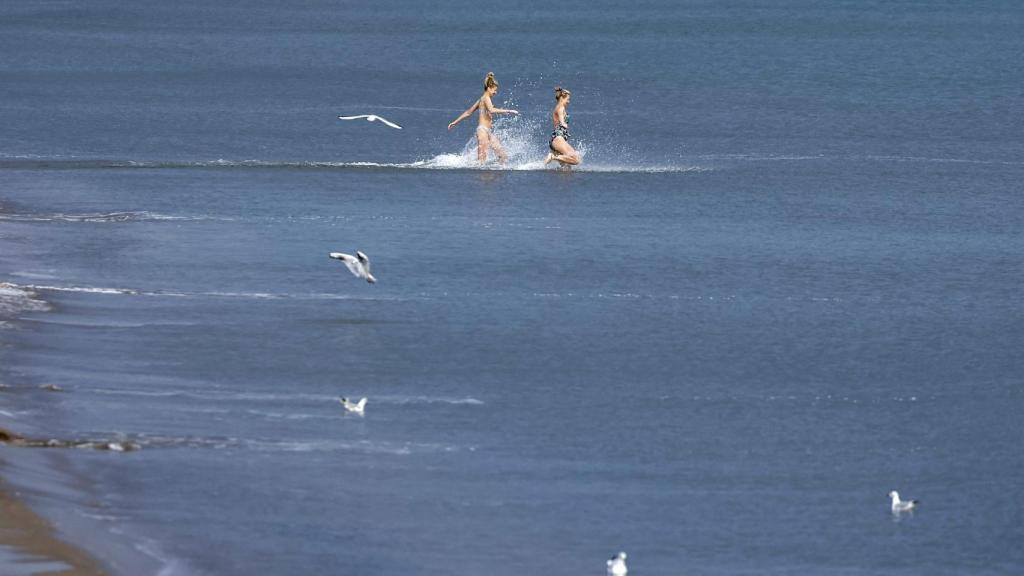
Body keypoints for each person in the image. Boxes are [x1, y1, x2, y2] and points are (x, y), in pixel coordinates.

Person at [447, 72, 519, 164]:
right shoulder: (485, 98)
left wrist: (455, 122)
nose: (495, 93)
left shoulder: (482, 99)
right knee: (482, 161)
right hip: (482, 131)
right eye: (494, 90)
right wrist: (508, 111)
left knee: (503, 155)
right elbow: (491, 110)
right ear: (489, 88)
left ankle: (496, 170)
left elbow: (468, 112)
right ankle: (479, 175)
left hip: (488, 132)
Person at [544, 86, 580, 167]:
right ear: (562, 98)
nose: (569, 101)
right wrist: (563, 123)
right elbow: (561, 118)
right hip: (558, 138)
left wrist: (562, 91)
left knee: (567, 167)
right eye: (567, 99)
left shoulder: (557, 107)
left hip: (557, 139)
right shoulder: (561, 107)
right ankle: (553, 156)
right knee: (575, 159)